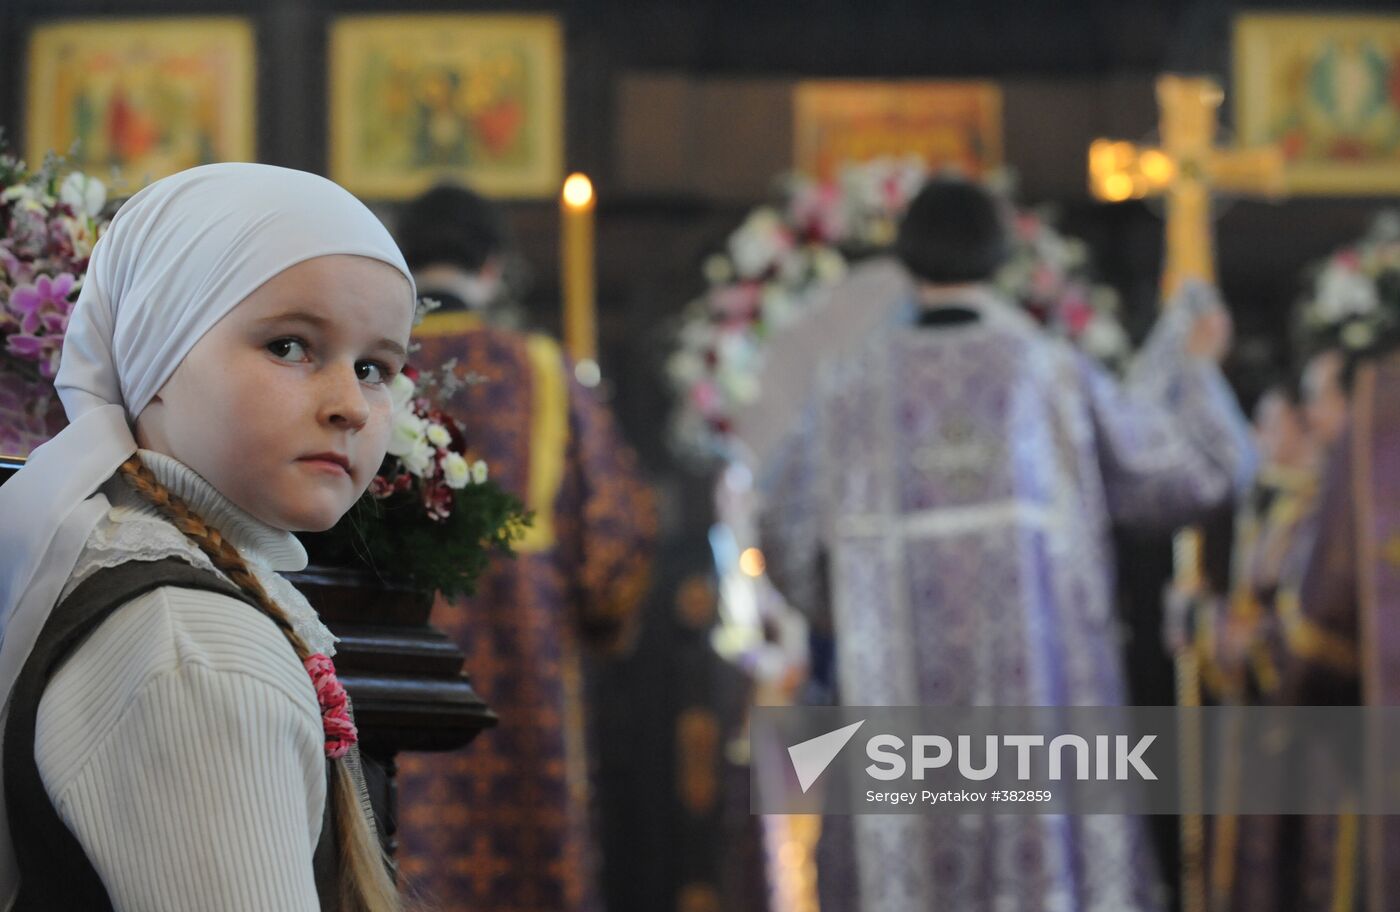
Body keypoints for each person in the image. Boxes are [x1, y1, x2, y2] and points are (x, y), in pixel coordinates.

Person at [757, 177, 1256, 912]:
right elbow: (1183, 476)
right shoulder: (1048, 373)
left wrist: (840, 617)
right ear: (1001, 255)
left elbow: (784, 531)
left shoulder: (847, 390)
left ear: (907, 256)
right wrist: (1192, 366)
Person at [0, 163, 417, 911]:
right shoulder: (197, 650)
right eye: (290, 346)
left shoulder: (164, 584)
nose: (351, 405)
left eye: (375, 367)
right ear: (154, 353)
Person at [391, 183, 656, 912]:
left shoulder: (371, 365)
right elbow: (613, 540)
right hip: (522, 678)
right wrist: (601, 619)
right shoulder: (542, 368)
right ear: (495, 268)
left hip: (380, 667)